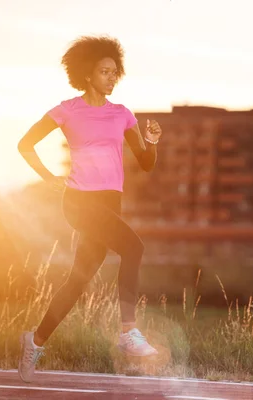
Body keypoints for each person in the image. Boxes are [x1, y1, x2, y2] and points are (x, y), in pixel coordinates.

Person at [16, 35, 162, 383]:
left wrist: (153, 141)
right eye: (104, 71)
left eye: (115, 72)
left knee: (78, 280)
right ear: (86, 73)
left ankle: (34, 341)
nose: (112, 78)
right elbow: (25, 144)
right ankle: (128, 332)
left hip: (110, 203)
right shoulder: (67, 110)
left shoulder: (122, 115)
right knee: (134, 247)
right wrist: (48, 176)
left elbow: (145, 163)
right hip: (80, 202)